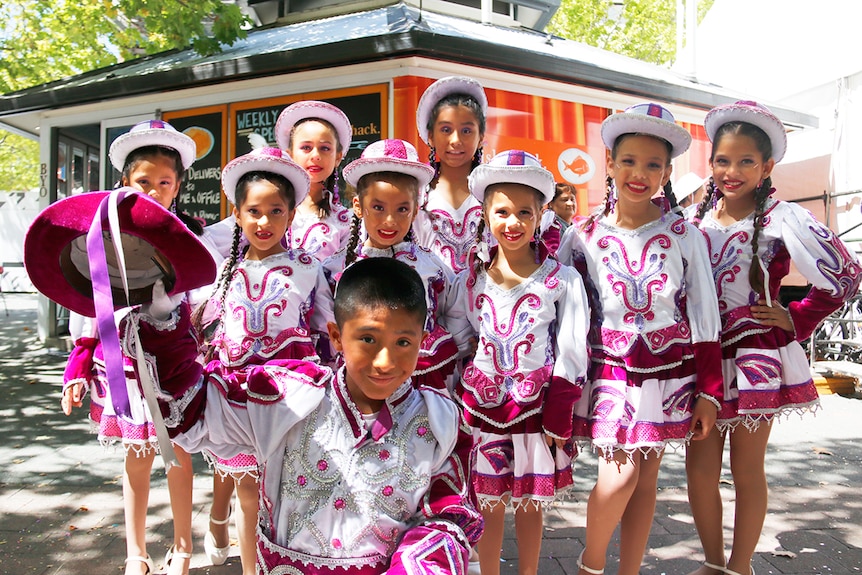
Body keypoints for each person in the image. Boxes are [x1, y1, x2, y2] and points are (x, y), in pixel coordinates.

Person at [132, 257, 484, 574]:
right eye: (368, 339)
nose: (385, 362)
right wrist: (162, 320)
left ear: (423, 341)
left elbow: (450, 517)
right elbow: (191, 409)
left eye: (403, 343)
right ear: (336, 337)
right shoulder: (288, 400)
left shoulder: (439, 423)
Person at [685, 101, 862, 575]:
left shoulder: (784, 218)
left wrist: (796, 318)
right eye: (723, 160)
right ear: (711, 163)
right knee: (698, 467)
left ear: (766, 167)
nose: (732, 170)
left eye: (746, 161)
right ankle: (712, 562)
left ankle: (740, 566)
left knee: (746, 467)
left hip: (754, 357)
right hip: (700, 357)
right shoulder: (693, 221)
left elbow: (844, 275)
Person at [557, 103, 723, 575]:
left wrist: (709, 392)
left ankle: (627, 570)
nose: (639, 173)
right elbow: (565, 311)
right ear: (609, 163)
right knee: (620, 474)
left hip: (669, 375)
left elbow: (703, 315)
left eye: (653, 165)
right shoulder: (582, 235)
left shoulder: (684, 234)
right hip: (608, 370)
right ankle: (591, 564)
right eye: (629, 160)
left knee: (645, 479)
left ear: (668, 172)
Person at [59, 120, 208, 575]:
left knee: (178, 454)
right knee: (137, 455)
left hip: (173, 365)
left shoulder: (190, 234)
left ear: (178, 185)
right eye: (144, 182)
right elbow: (89, 302)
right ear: (125, 182)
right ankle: (135, 552)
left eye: (165, 182)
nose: (155, 190)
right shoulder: (100, 231)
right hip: (121, 363)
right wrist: (77, 368)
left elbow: (203, 303)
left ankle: (183, 547)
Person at [191, 147, 335, 574]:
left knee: (288, 488)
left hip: (291, 398)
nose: (264, 222)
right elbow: (197, 325)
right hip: (236, 396)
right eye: (254, 211)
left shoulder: (309, 267)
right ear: (237, 214)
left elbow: (328, 330)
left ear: (291, 216)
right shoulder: (221, 272)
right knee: (249, 489)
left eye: (276, 211)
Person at [452, 150, 590, 575]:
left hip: (536, 412)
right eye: (502, 211)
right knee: (488, 503)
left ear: (541, 215)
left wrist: (558, 415)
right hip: (482, 409)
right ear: (485, 213)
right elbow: (459, 334)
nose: (512, 222)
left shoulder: (561, 279)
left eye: (524, 213)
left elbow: (572, 349)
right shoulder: (471, 277)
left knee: (531, 504)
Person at [322, 138, 473, 390]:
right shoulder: (336, 270)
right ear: (358, 206)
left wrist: (448, 349)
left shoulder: (432, 267)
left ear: (415, 210)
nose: (390, 220)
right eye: (378, 207)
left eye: (402, 209)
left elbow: (455, 310)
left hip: (426, 380)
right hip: (362, 380)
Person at [413, 76, 488, 273]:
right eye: (446, 129)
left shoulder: (493, 195)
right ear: (430, 136)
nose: (455, 140)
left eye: (466, 130)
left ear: (481, 137)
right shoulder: (416, 195)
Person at [274, 100, 353, 260]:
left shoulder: (347, 221)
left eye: (325, 148)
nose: (316, 155)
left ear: (338, 157)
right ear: (290, 155)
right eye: (306, 148)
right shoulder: (269, 209)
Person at [539, 181, 578, 255]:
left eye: (572, 199)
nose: (570, 204)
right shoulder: (549, 225)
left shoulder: (577, 227)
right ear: (551, 204)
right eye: (564, 200)